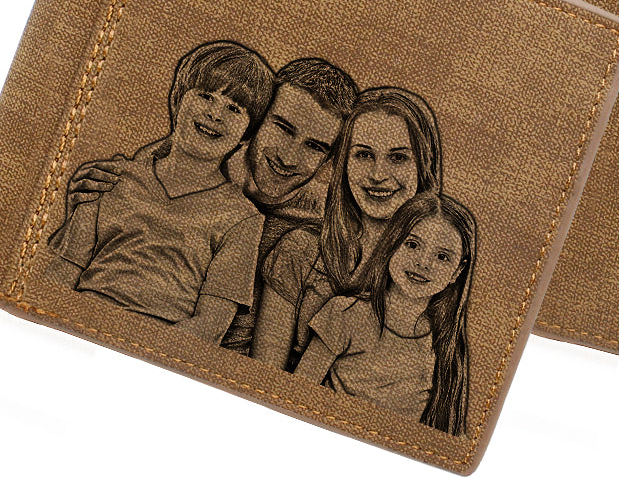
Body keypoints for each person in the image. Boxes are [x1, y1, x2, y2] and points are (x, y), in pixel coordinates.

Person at [61, 53, 360, 356]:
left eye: (315, 146)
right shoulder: (175, 158)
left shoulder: (324, 223)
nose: (288, 157)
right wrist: (81, 212)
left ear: (329, 160)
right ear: (257, 119)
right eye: (283, 128)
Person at [44, 42, 274, 344]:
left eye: (234, 108)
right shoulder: (112, 176)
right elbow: (61, 274)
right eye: (206, 96)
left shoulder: (243, 218)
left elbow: (211, 323)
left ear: (247, 134)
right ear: (177, 99)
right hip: (78, 326)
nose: (215, 114)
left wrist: (141, 349)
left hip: (158, 347)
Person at [250, 86, 441, 369]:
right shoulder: (299, 250)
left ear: (424, 165)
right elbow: (262, 377)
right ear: (343, 164)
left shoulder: (434, 267)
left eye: (398, 158)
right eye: (363, 155)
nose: (378, 175)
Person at [293, 192, 476, 436]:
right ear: (391, 243)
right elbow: (297, 394)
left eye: (442, 257)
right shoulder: (345, 312)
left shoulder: (445, 342)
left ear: (457, 272)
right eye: (412, 245)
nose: (423, 263)